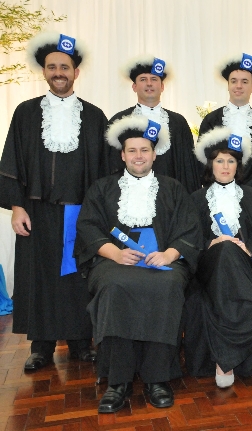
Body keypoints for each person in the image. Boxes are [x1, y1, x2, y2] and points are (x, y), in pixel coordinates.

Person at [76, 116, 202, 412]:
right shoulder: (102, 188)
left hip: (162, 261)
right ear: (122, 155)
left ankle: (158, 378)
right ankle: (117, 381)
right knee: (113, 286)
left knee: (167, 285)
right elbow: (88, 227)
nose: (139, 156)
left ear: (154, 154)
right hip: (114, 262)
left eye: (145, 150)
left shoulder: (173, 189)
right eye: (132, 150)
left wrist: (169, 255)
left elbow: (189, 230)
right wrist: (114, 253)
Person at [0, 31, 109, 371]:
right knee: (39, 278)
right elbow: (12, 160)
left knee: (79, 278)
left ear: (76, 72)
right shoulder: (26, 112)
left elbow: (105, 171)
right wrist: (17, 207)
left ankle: (81, 342)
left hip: (82, 213)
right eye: (52, 67)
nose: (58, 72)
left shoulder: (95, 116)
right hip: (37, 211)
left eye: (64, 67)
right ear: (44, 71)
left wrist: (101, 214)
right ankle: (41, 347)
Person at [187, 126, 252, 389]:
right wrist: (213, 242)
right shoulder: (196, 199)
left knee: (231, 253)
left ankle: (225, 363)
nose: (225, 166)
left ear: (238, 165)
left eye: (231, 161)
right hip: (207, 264)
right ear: (211, 164)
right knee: (225, 249)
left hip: (245, 264)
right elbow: (190, 241)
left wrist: (248, 249)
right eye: (220, 161)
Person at [107, 54, 202, 193]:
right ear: (134, 86)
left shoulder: (178, 122)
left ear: (162, 86)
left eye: (154, 79)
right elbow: (111, 166)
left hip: (171, 196)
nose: (149, 84)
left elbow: (188, 168)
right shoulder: (120, 121)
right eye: (143, 79)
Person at [199, 53, 252, 204]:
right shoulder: (211, 121)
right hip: (217, 197)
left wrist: (247, 192)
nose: (238, 86)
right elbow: (204, 163)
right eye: (234, 81)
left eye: (244, 81)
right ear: (228, 85)